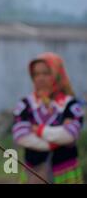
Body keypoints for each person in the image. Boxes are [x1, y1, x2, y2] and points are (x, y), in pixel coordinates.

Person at [12, 52, 84, 184]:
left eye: (46, 73)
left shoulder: (70, 104)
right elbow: (21, 136)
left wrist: (38, 131)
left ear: (57, 74)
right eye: (36, 74)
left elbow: (70, 134)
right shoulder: (26, 104)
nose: (40, 78)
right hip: (34, 171)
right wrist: (56, 140)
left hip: (65, 171)